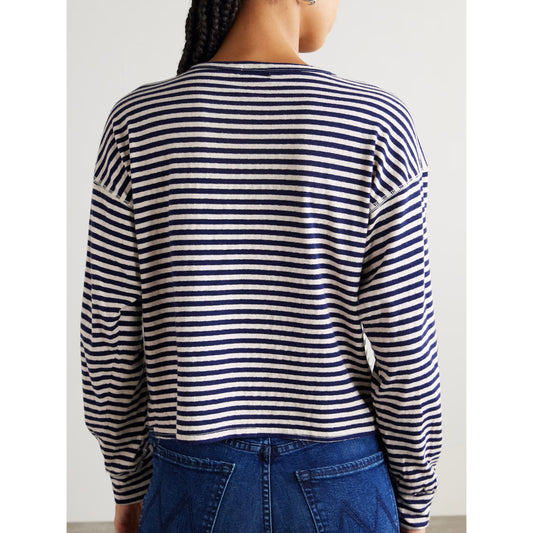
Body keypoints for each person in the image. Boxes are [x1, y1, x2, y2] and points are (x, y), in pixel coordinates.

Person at [79, 0, 443, 532]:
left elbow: (108, 337)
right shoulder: (378, 122)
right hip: (343, 473)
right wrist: (416, 499)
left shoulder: (139, 122)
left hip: (190, 475)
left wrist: (128, 480)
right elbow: (406, 343)